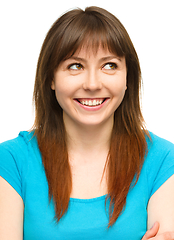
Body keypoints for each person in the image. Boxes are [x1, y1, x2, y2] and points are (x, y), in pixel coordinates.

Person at [0, 6, 174, 240]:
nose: (92, 84)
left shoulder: (162, 160)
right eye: (75, 66)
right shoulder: (11, 161)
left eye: (109, 65)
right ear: (51, 78)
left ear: (127, 78)